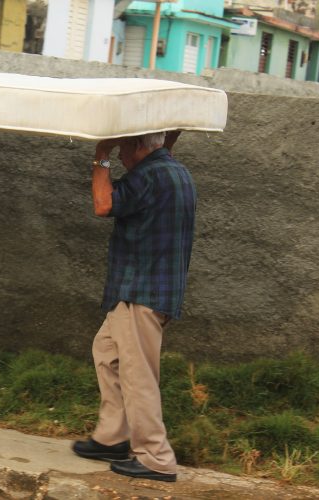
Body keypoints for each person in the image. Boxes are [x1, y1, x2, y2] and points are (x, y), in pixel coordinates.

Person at [72, 131, 195, 482]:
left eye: (125, 146)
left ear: (138, 146)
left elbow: (103, 204)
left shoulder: (148, 175)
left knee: (137, 375)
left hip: (140, 291)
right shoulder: (174, 170)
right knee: (106, 352)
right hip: (152, 289)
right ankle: (113, 437)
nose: (122, 155)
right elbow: (159, 149)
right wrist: (169, 131)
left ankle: (156, 457)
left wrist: (100, 155)